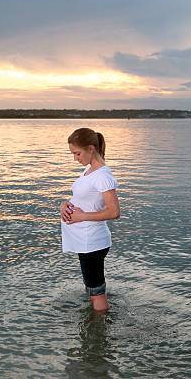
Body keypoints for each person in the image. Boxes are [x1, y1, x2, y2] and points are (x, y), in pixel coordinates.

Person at [60, 128, 120, 312]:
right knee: (92, 287)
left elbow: (114, 212)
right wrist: (65, 204)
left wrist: (81, 216)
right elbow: (84, 199)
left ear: (91, 148)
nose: (75, 158)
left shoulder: (102, 175)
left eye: (77, 153)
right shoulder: (89, 170)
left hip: (92, 241)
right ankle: (94, 320)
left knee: (96, 290)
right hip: (84, 240)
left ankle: (98, 331)